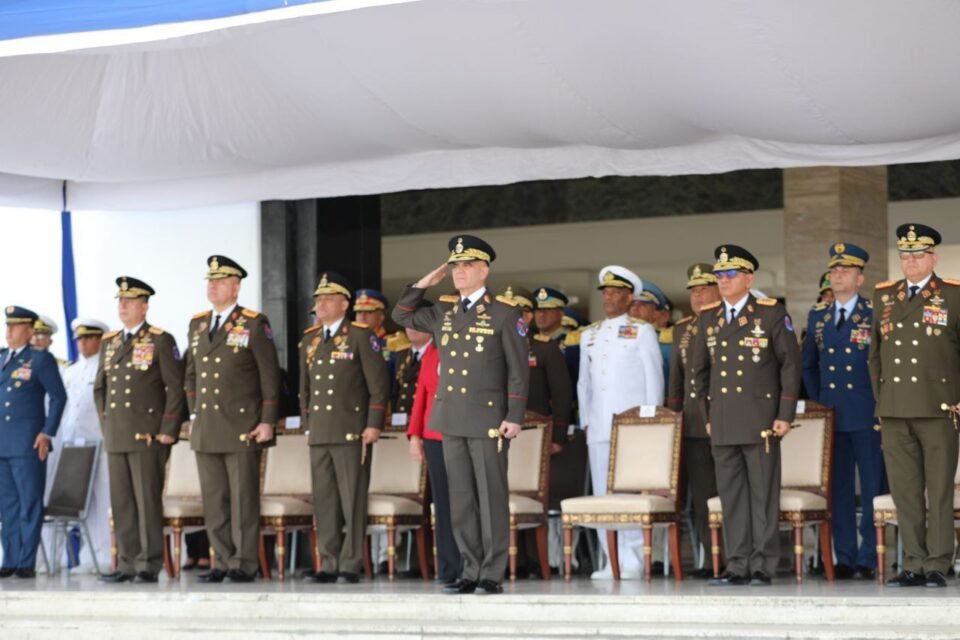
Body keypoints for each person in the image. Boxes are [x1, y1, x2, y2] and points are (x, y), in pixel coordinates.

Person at [392, 234, 529, 595]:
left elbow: (518, 371)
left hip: (488, 421)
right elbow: (401, 314)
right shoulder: (444, 310)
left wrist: (514, 415)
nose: (459, 272)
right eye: (455, 266)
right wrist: (425, 283)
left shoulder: (505, 313)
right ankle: (470, 569)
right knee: (461, 499)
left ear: (484, 271)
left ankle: (491, 572)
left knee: (490, 497)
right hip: (451, 419)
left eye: (468, 265)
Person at [690, 245, 801, 587]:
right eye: (719, 275)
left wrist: (784, 414)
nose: (723, 280)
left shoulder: (769, 313)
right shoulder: (708, 318)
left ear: (749, 279)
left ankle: (762, 564)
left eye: (730, 274)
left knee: (762, 495)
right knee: (732, 496)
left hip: (760, 420)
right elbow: (698, 373)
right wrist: (707, 415)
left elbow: (790, 365)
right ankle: (737, 563)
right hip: (723, 420)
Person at [869, 224, 960, 588]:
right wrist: (882, 399)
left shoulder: (952, 295)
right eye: (905, 256)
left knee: (938, 490)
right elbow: (874, 355)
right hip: (894, 408)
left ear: (933, 258)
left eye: (918, 255)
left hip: (938, 407)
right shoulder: (884, 296)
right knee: (905, 491)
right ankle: (913, 562)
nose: (910, 261)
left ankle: (938, 562)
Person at [185, 255, 281, 583]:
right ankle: (222, 560)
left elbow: (269, 375)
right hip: (207, 426)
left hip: (242, 426)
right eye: (210, 280)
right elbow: (191, 374)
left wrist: (267, 420)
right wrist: (194, 412)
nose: (213, 286)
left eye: (221, 281)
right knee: (214, 500)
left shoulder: (253, 323)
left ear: (236, 287)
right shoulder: (198, 324)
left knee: (243, 500)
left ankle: (244, 562)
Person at [802, 243, 886, 580]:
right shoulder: (818, 316)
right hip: (833, 415)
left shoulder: (874, 313)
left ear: (860, 278)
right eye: (834, 270)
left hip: (867, 413)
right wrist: (820, 402)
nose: (838, 275)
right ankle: (845, 556)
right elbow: (809, 365)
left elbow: (884, 364)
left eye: (845, 271)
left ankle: (870, 557)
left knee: (872, 487)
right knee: (838, 490)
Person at [300, 271, 389, 584]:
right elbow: (305, 389)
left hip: (351, 430)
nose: (321, 304)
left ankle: (351, 563)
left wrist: (373, 424)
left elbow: (378, 386)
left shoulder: (361, 335)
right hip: (320, 431)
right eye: (318, 299)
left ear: (344, 304)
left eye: (328, 299)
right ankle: (328, 561)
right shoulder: (310, 339)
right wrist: (308, 425)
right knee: (324, 500)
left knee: (352, 499)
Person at [95, 278, 185, 583]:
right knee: (122, 502)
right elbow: (100, 388)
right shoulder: (110, 342)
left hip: (147, 434)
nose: (122, 306)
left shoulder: (160, 340)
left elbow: (175, 387)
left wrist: (168, 428)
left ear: (144, 307)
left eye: (130, 301)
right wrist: (107, 424)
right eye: (120, 301)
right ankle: (127, 562)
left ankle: (148, 563)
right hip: (117, 434)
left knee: (146, 501)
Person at [578, 266, 663, 579]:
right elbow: (584, 384)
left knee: (630, 493)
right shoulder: (589, 334)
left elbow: (653, 378)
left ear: (629, 298)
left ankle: (633, 559)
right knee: (603, 494)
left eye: (616, 292)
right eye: (606, 292)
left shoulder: (642, 331)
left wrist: (652, 421)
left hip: (632, 428)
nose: (609, 297)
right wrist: (586, 420)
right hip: (599, 425)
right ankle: (610, 560)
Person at [0, 306, 66, 578]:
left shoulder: (40, 360)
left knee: (29, 502)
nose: (9, 331)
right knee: (7, 506)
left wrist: (46, 432)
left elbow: (59, 397)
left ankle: (26, 561)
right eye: (8, 326)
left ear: (29, 331)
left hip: (28, 443)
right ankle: (10, 559)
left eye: (15, 326)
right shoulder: (2, 357)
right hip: (3, 444)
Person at [666, 263, 722, 578]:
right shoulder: (682, 329)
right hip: (694, 425)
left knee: (731, 494)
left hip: (728, 422)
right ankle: (712, 560)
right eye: (694, 291)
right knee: (702, 499)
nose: (698, 296)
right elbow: (676, 380)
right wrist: (674, 421)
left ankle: (737, 556)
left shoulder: (729, 320)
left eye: (704, 289)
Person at [405, 302, 462, 585]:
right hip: (434, 437)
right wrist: (415, 436)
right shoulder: (431, 353)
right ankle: (449, 568)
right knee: (443, 503)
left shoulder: (467, 350)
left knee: (466, 501)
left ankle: (472, 564)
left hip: (463, 435)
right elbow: (421, 397)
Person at [55, 318, 111, 572]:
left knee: (103, 500)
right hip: (75, 443)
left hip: (101, 441)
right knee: (81, 501)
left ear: (100, 340)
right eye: (79, 339)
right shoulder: (72, 371)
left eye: (89, 338)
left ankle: (106, 555)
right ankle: (87, 557)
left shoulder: (107, 368)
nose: (83, 343)